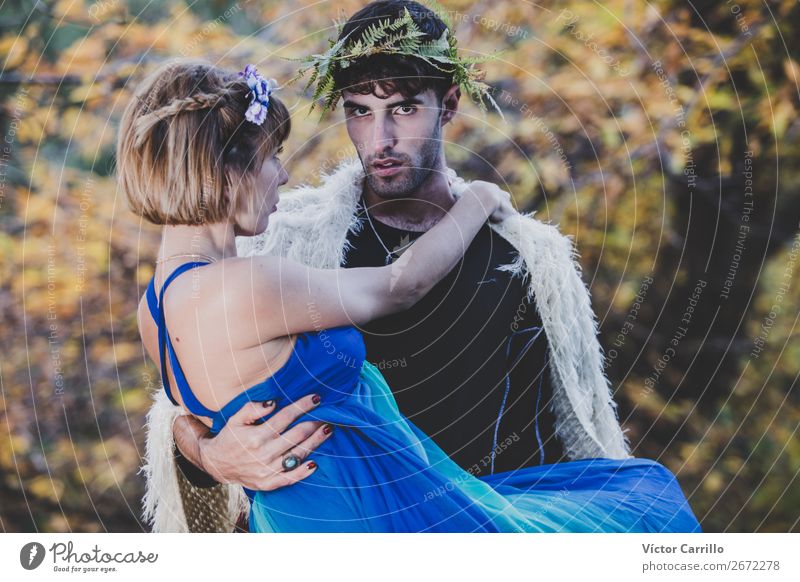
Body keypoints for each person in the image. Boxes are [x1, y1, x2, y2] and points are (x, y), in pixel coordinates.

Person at [121, 54, 700, 532]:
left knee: (623, 498)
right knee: (645, 509)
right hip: (370, 515)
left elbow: (573, 402)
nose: (284, 174)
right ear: (227, 170)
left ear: (447, 105)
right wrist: (206, 452)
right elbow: (403, 285)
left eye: (403, 108)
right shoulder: (268, 265)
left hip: (395, 502)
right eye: (272, 158)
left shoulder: (156, 306)